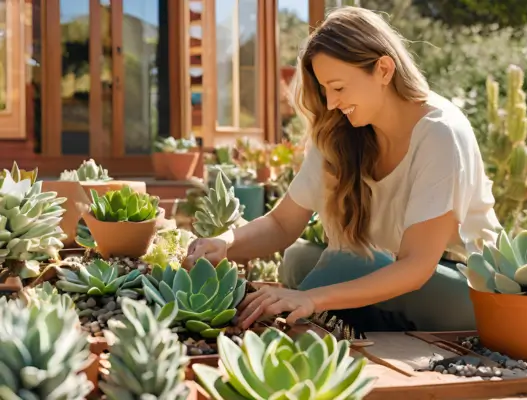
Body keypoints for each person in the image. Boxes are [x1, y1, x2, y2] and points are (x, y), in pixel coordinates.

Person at [184, 6, 502, 334]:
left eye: (338, 87)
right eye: (325, 90)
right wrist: (225, 243)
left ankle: (294, 334)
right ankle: (334, 327)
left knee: (345, 263)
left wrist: (311, 299)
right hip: (391, 278)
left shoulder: (440, 132)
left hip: (466, 292)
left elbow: (416, 267)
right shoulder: (343, 129)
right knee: (299, 259)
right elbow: (282, 224)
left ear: (383, 69)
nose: (332, 102)